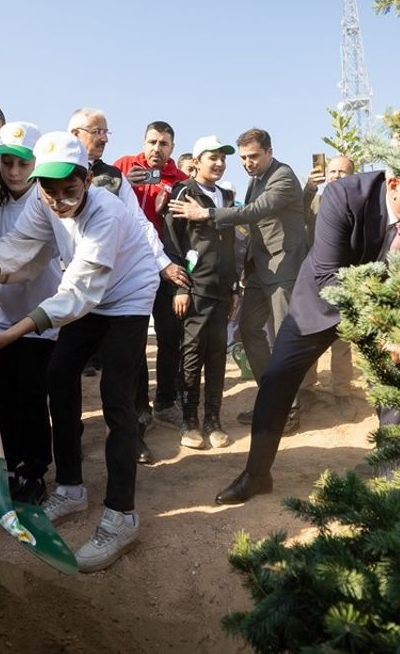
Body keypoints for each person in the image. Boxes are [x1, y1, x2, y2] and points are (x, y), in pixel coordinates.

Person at [0, 131, 159, 573]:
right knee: (58, 377)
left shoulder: (105, 213)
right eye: (50, 190)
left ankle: (121, 516)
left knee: (116, 400)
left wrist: (12, 333)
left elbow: (79, 291)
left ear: (87, 180)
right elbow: (21, 246)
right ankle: (70, 488)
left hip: (126, 295)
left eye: (70, 189)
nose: (59, 200)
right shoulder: (41, 200)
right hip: (83, 295)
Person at [214, 167, 400, 504]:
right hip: (320, 307)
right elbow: (327, 276)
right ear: (394, 186)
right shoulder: (345, 194)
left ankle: (395, 479)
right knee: (276, 381)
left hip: (393, 315)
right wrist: (381, 323)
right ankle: (256, 475)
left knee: (394, 391)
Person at [68, 108, 190, 462]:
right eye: (98, 131)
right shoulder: (118, 168)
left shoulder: (114, 178)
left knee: (130, 359)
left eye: (107, 131)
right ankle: (68, 436)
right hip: (75, 284)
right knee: (64, 369)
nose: (105, 137)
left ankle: (136, 428)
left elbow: (140, 225)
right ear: (75, 133)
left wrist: (164, 262)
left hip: (127, 281)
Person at [169, 128, 306, 427]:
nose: (248, 163)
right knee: (247, 329)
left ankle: (289, 410)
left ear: (269, 152)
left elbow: (256, 211)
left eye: (254, 156)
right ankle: (272, 400)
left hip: (283, 268)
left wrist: (206, 215)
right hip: (258, 269)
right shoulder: (254, 180)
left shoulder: (283, 176)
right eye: (243, 158)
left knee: (284, 338)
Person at [0, 121, 60, 505]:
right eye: (7, 163)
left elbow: (33, 260)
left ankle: (33, 472)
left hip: (39, 318)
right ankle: (2, 470)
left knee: (31, 396)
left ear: (36, 164)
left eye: (23, 164)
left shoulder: (46, 202)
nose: (15, 172)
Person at [163, 136, 239, 450]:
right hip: (195, 290)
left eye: (223, 158)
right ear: (196, 161)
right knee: (192, 355)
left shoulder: (228, 196)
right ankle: (190, 421)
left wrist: (235, 287)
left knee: (218, 355)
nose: (219, 163)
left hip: (223, 290)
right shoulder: (184, 192)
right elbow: (172, 242)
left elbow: (234, 244)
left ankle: (214, 420)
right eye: (213, 158)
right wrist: (179, 287)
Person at [113, 121, 189, 429]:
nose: (156, 149)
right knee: (135, 338)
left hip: (166, 265)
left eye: (164, 144)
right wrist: (124, 185)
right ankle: (139, 406)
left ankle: (166, 401)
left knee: (170, 335)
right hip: (129, 264)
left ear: (172, 149)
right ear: (143, 142)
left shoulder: (181, 180)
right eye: (152, 142)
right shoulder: (121, 168)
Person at [301, 155, 360, 408]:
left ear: (353, 176)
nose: (335, 175)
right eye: (332, 170)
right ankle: (306, 388)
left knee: (341, 339)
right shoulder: (316, 201)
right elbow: (297, 215)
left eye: (342, 172)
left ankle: (342, 392)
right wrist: (309, 188)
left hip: (345, 278)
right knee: (309, 334)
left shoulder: (359, 203)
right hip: (314, 278)